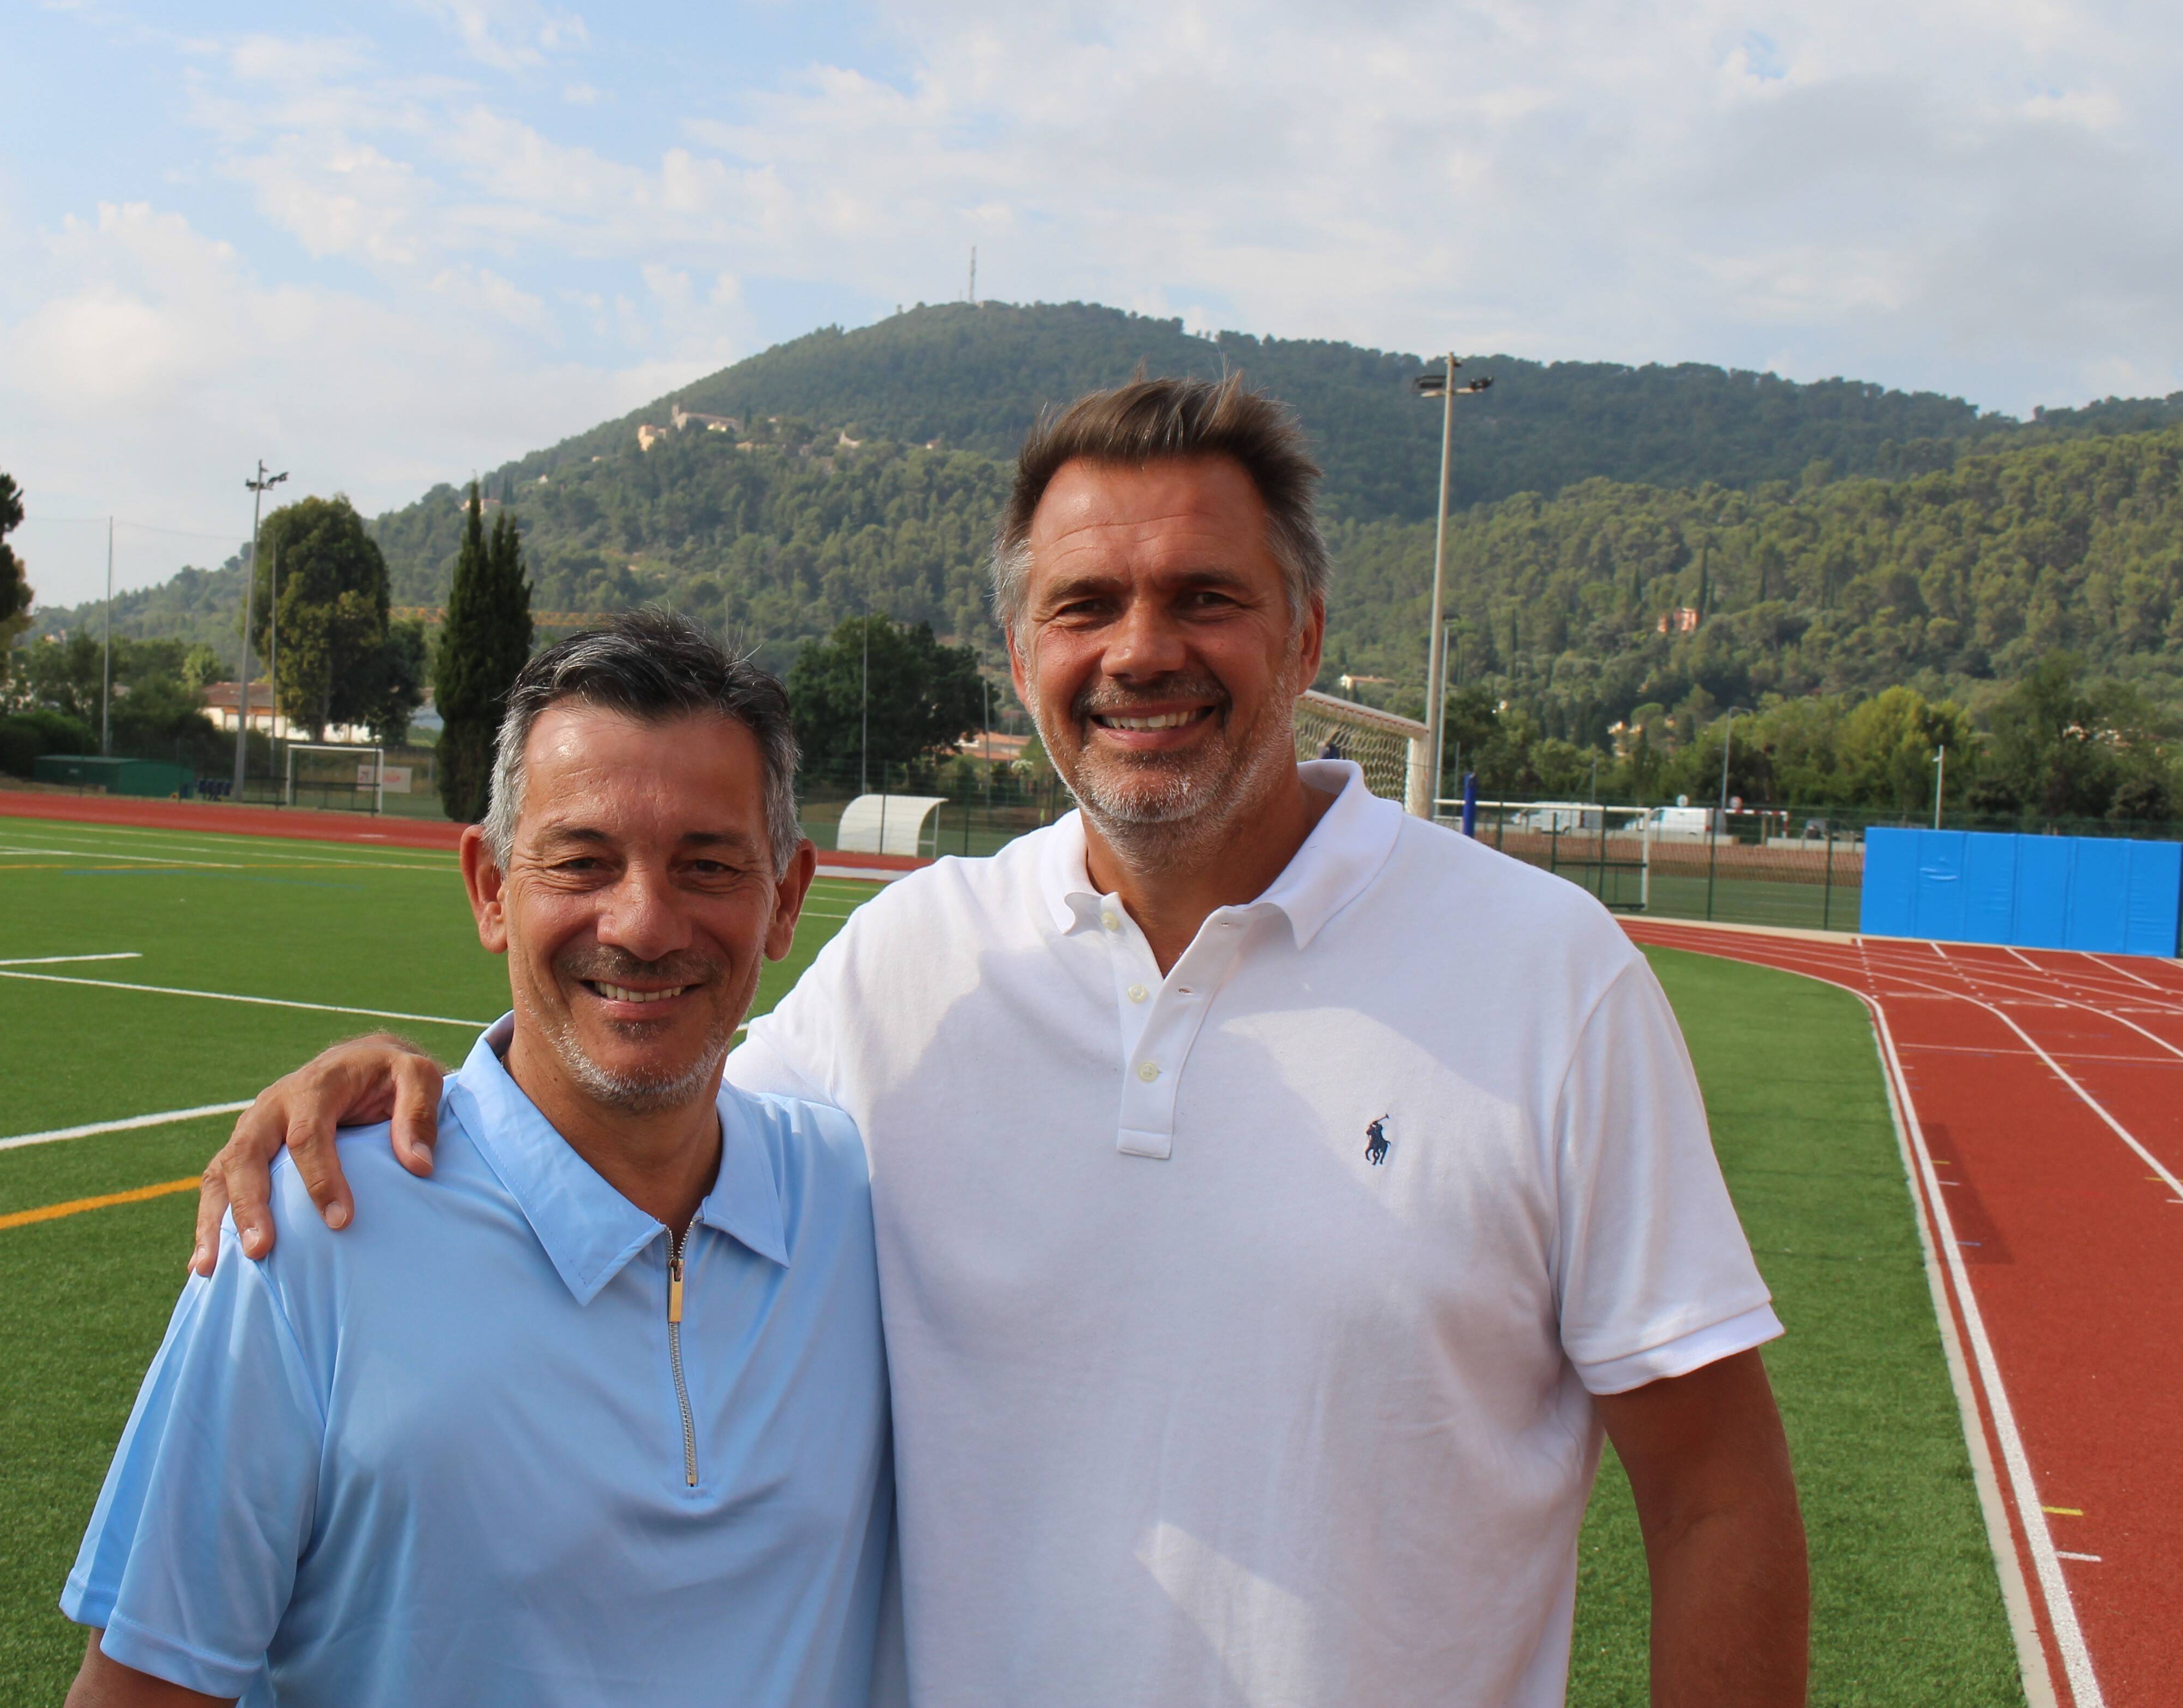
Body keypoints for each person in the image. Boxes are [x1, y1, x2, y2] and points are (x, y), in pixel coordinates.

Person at [199, 377, 1811, 1706]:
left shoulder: (1546, 976)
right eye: (1084, 605)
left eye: (1206, 598)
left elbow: (1717, 1495)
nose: (1141, 650)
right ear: (1026, 655)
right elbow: (636, 1120)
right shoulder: (913, 963)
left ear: (1308, 634)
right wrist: (409, 1082)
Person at [62, 615, 894, 1707]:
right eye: (582, 862)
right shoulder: (309, 1233)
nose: (643, 922)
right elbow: (142, 1690)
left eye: (707, 865)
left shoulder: (852, 1196)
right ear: (491, 887)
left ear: (784, 898)